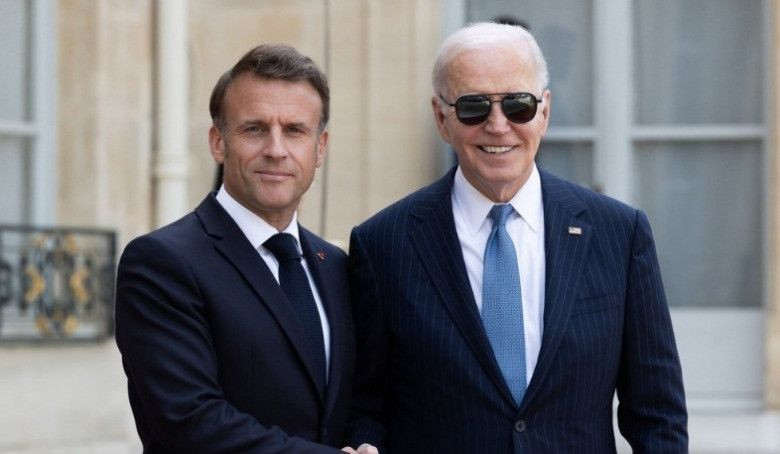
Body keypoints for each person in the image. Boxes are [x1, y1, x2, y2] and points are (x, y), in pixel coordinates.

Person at [346, 22, 688, 452]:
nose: (497, 125)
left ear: (544, 112)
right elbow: (366, 408)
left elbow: (658, 416)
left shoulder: (619, 234)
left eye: (518, 105)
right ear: (441, 118)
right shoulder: (383, 244)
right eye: (473, 107)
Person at [116, 44, 374, 453]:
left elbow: (358, 401)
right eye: (255, 129)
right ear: (218, 142)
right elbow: (190, 421)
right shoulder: (161, 263)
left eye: (295, 130)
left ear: (320, 147)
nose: (276, 149)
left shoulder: (335, 266)